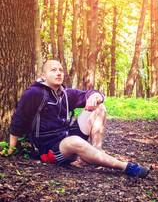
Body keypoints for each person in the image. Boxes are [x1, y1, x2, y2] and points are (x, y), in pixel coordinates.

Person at [8, 60, 149, 178]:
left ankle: (97, 151)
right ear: (43, 76)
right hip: (48, 150)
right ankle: (126, 167)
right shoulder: (34, 93)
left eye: (61, 70)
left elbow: (95, 94)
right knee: (74, 141)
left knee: (100, 108)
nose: (58, 73)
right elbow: (18, 120)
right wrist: (11, 149)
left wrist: (94, 97)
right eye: (53, 70)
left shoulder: (66, 93)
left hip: (67, 137)